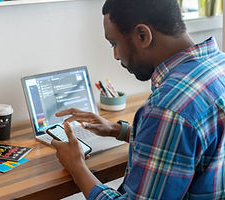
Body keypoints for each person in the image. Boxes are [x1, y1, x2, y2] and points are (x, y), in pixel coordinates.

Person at [51, 0, 225, 199]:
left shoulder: (167, 109)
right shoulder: (219, 65)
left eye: (114, 43)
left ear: (143, 35)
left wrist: (77, 167)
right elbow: (191, 147)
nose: (116, 56)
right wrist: (118, 130)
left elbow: (175, 123)